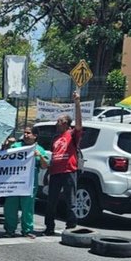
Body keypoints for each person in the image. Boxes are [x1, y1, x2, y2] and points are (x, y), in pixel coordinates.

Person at [43, 90, 83, 236]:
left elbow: (79, 123)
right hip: (55, 173)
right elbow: (54, 156)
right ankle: (49, 227)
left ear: (66, 123)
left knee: (70, 201)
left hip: (68, 172)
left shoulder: (72, 134)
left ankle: (71, 226)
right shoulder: (55, 138)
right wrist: (47, 172)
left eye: (59, 121)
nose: (56, 123)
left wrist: (77, 103)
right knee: (51, 202)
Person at [4, 127, 50, 239]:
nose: (25, 135)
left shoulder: (39, 149)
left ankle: (27, 230)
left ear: (35, 136)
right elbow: (3, 157)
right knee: (10, 206)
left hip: (29, 184)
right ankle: (10, 230)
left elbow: (45, 166)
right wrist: (7, 145)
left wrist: (39, 156)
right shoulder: (16, 146)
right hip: (14, 182)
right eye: (24, 132)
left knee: (27, 208)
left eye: (28, 133)